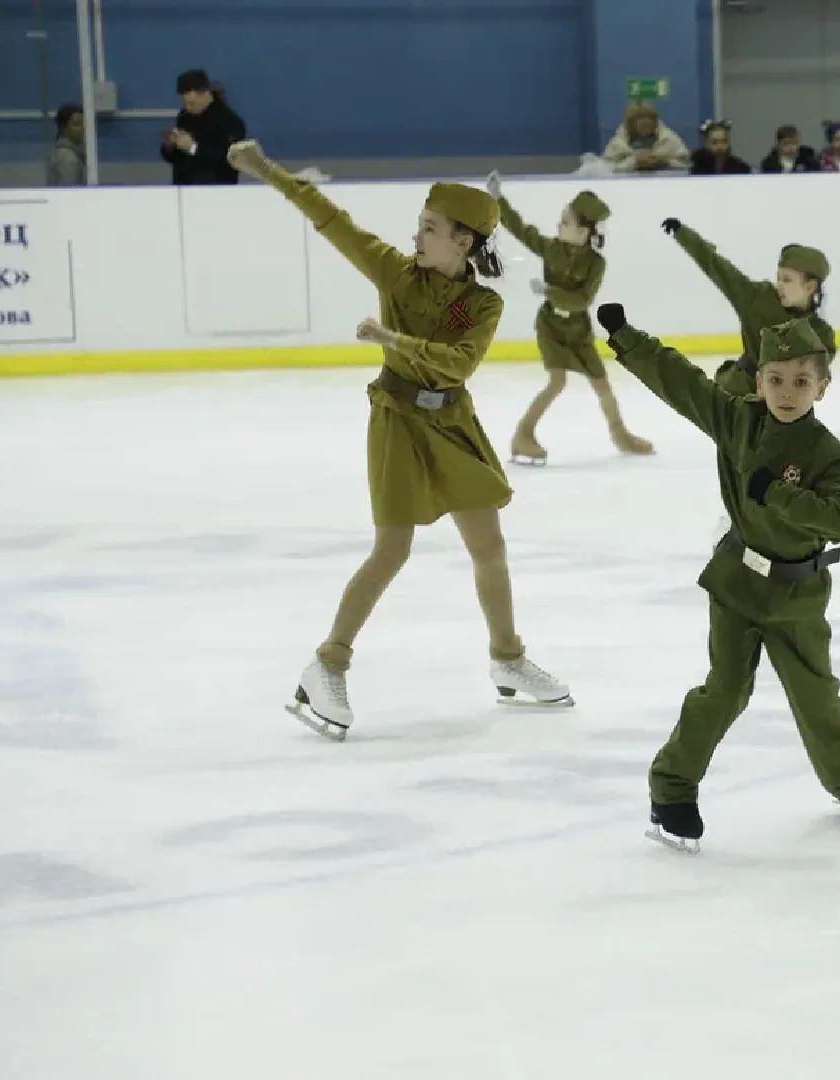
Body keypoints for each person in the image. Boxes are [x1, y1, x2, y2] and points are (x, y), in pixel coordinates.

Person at [223, 139, 572, 740]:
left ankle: (508, 657)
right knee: (392, 549)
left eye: (430, 229)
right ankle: (326, 665)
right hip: (396, 420)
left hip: (452, 423)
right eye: (419, 225)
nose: (417, 237)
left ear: (463, 241)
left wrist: (392, 337)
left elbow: (458, 365)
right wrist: (267, 171)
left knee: (489, 545)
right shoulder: (392, 270)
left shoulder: (475, 304)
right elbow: (330, 218)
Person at [593, 304, 840, 851]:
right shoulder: (737, 420)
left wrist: (779, 494)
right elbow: (680, 381)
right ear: (759, 381)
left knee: (817, 697)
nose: (788, 392)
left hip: (799, 595)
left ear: (822, 387)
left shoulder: (826, 452)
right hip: (739, 585)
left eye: (801, 381)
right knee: (724, 692)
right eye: (776, 379)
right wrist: (626, 337)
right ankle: (671, 790)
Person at [485, 172, 653, 465]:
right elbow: (521, 229)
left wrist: (550, 290)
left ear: (585, 231)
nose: (559, 225)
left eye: (566, 222)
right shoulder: (551, 248)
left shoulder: (596, 264)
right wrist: (498, 199)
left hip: (578, 329)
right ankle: (523, 435)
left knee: (601, 383)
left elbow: (582, 300)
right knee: (557, 382)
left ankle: (620, 433)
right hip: (551, 326)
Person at [658, 217, 833, 398]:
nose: (779, 285)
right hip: (739, 394)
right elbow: (719, 268)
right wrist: (683, 234)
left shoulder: (821, 334)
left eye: (787, 280)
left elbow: (818, 381)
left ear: (810, 287)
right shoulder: (758, 299)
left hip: (784, 405)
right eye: (778, 278)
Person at [162, 70, 246, 185]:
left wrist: (193, 147)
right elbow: (175, 158)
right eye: (184, 103)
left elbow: (226, 160)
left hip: (216, 189)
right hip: (184, 188)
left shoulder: (230, 122)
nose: (187, 108)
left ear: (205, 94)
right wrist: (170, 146)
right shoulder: (184, 117)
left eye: (191, 103)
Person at [47, 104, 86, 186]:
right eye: (76, 124)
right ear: (62, 128)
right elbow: (69, 194)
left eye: (83, 124)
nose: (82, 128)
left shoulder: (63, 153)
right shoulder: (67, 157)